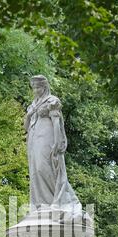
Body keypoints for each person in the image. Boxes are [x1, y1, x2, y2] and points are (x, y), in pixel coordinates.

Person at [25, 75, 81, 213]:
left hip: (47, 138)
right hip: (33, 139)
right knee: (35, 171)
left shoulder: (52, 101)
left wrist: (57, 141)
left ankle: (55, 200)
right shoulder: (32, 105)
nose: (36, 90)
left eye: (38, 87)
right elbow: (25, 127)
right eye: (34, 88)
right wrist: (28, 115)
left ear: (44, 87)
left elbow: (56, 122)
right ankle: (41, 204)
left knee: (45, 167)